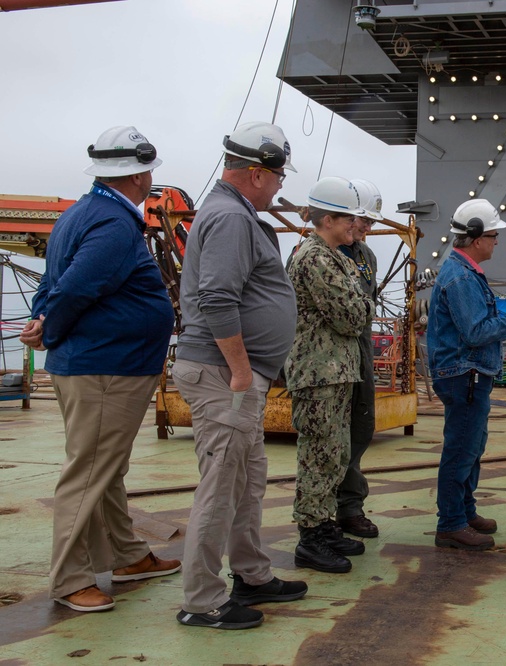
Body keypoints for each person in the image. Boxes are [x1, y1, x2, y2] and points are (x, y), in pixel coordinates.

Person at [20, 126, 180, 613]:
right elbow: (75, 288)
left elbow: (54, 283)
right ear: (138, 175)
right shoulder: (113, 223)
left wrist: (43, 320)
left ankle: (127, 556)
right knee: (89, 472)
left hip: (93, 363)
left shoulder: (80, 214)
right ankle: (69, 580)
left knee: (104, 468)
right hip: (107, 367)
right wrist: (50, 326)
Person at [173, 122, 306, 630]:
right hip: (223, 375)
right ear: (255, 173)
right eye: (276, 177)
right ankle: (202, 601)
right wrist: (242, 370)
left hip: (234, 375)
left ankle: (251, 575)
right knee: (221, 488)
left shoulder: (235, 213)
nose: (279, 186)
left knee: (248, 482)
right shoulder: (230, 217)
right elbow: (217, 297)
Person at [427, 199, 506, 550]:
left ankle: (464, 512)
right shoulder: (459, 277)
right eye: (494, 234)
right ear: (476, 237)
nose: (497, 241)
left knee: (471, 446)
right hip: (463, 373)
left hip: (469, 372)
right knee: (461, 448)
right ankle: (451, 523)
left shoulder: (464, 273)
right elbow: (474, 331)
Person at [285, 177, 374, 573]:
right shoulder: (316, 258)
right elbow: (353, 316)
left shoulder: (334, 255)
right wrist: (363, 304)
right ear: (329, 218)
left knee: (335, 452)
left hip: (335, 370)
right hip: (319, 372)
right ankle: (311, 536)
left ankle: (324, 525)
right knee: (319, 456)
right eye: (349, 218)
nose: (356, 226)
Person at [333, 178, 383, 539]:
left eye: (370, 223)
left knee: (359, 431)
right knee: (327, 440)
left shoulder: (366, 256)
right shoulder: (320, 253)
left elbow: (366, 309)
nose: (367, 229)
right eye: (363, 221)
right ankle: (321, 516)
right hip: (329, 361)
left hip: (360, 356)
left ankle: (350, 508)